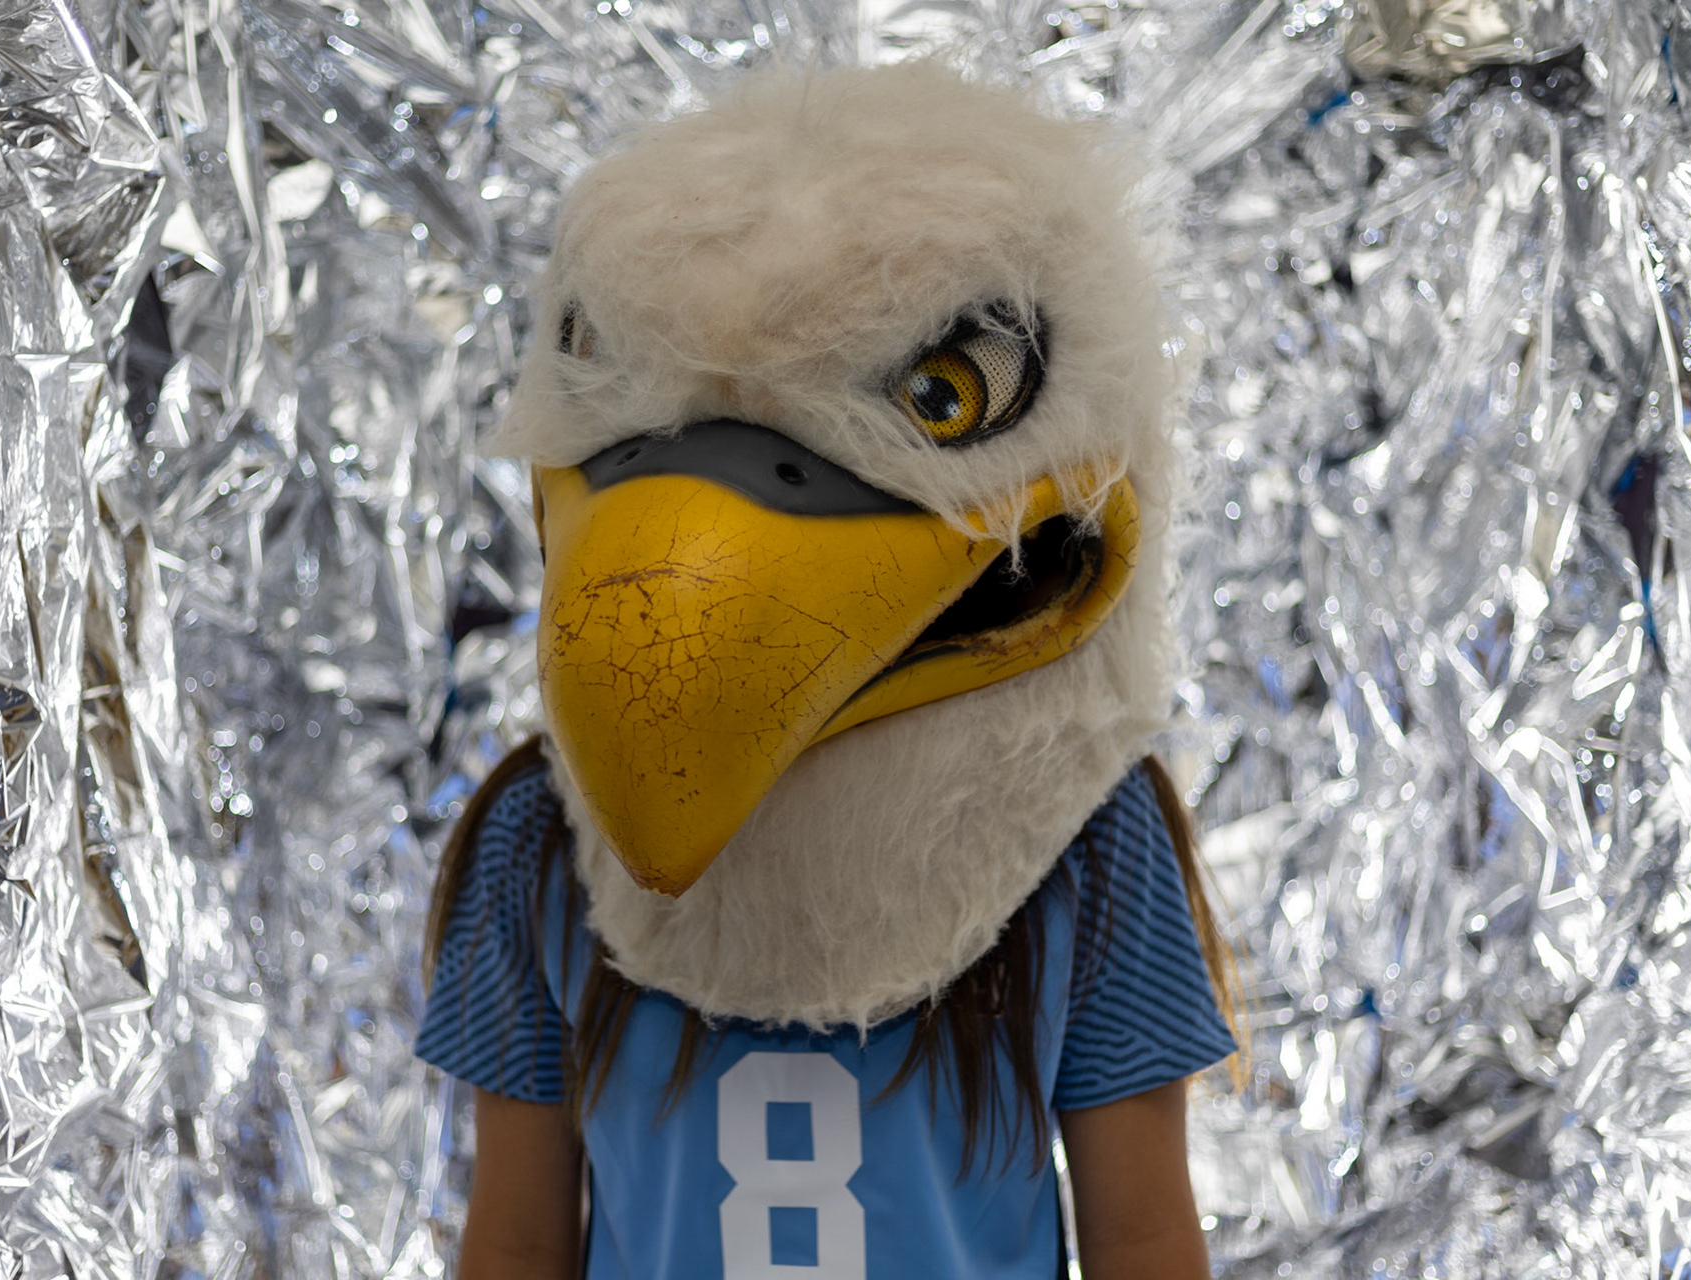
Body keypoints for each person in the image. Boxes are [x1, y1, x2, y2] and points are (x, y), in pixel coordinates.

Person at [417, 64, 1240, 1278]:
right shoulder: (537, 844)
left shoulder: (1091, 838)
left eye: (945, 396)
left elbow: (1144, 1234)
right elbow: (520, 1237)